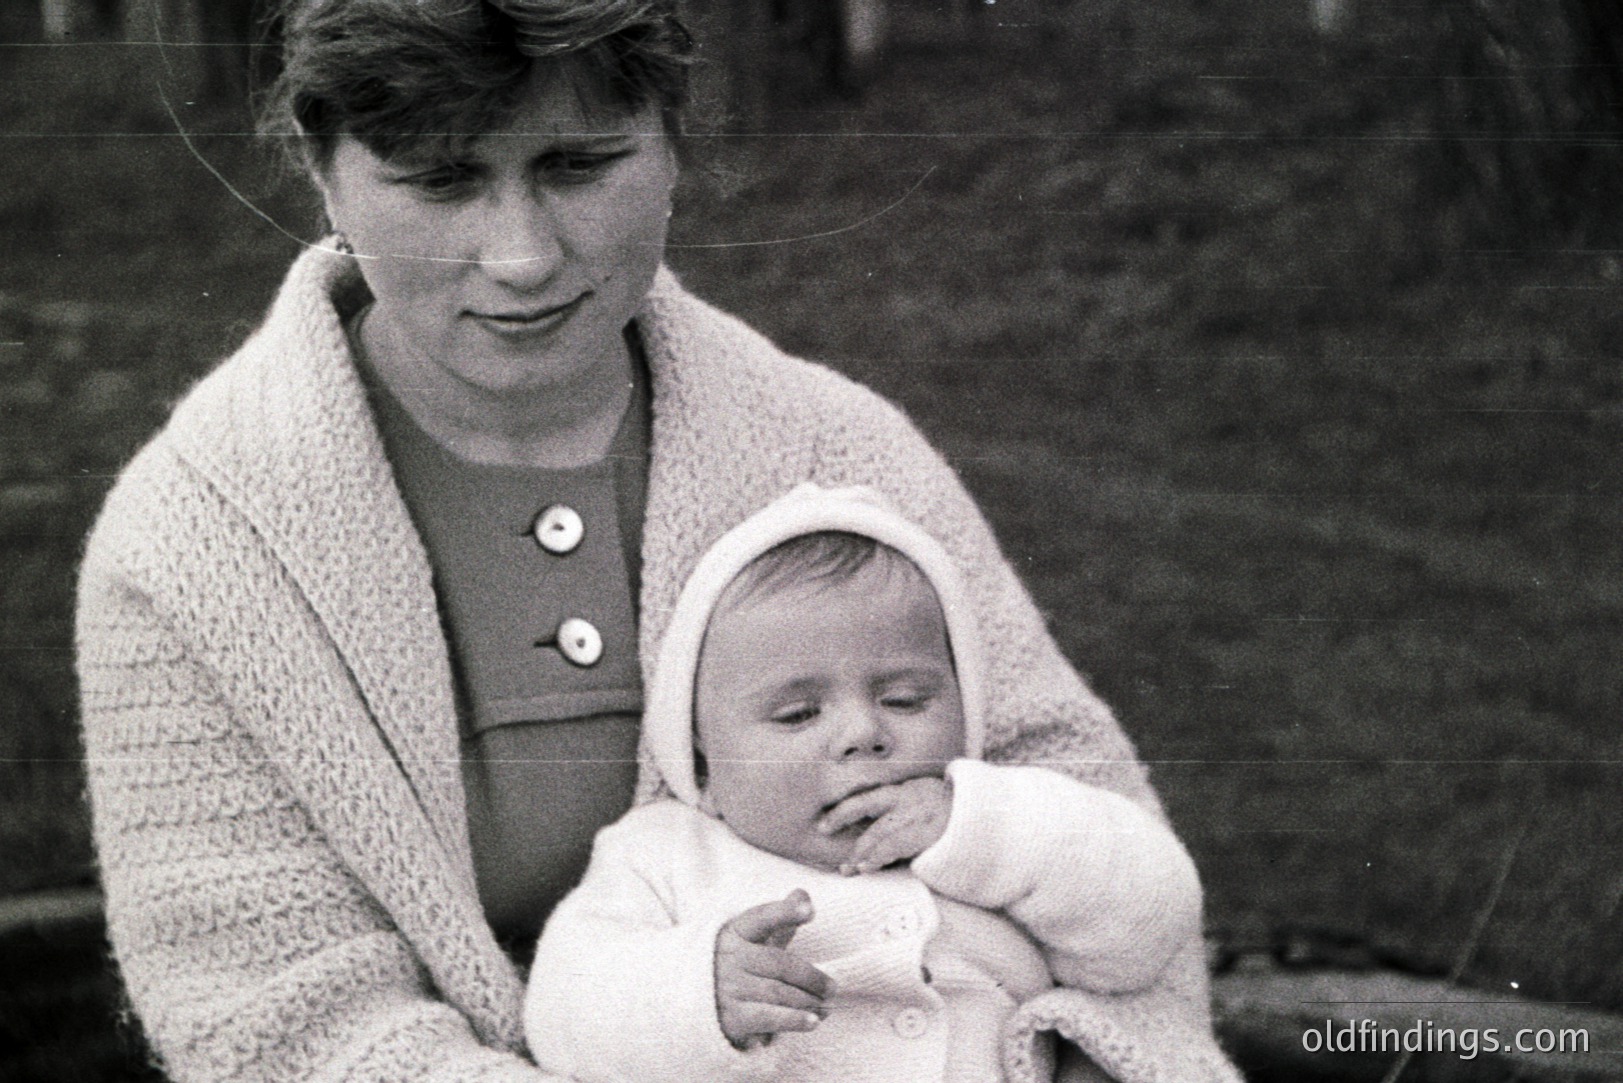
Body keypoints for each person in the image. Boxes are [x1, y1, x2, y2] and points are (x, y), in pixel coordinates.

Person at [73, 1, 1240, 1080]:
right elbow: (280, 1024)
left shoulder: (834, 452)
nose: (522, 255)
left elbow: (1100, 850)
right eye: (440, 181)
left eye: (579, 165)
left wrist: (1085, 1057)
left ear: (674, 138)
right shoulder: (190, 551)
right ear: (324, 169)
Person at [523, 484, 1205, 1083]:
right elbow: (561, 1008)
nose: (862, 734)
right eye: (797, 713)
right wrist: (694, 993)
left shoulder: (1001, 827)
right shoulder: (664, 854)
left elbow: (1150, 920)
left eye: (905, 698)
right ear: (701, 747)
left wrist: (980, 827)